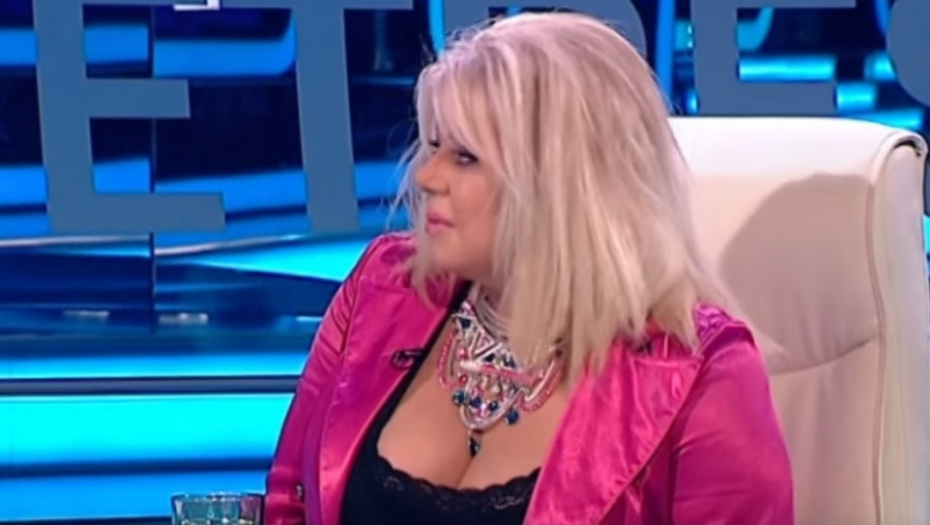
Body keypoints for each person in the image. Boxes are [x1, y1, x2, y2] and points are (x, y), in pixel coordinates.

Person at [264, 11, 793, 525]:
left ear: (561, 183)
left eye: (465, 157)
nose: (426, 178)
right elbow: (290, 504)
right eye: (434, 147)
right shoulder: (383, 287)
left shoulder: (700, 372)